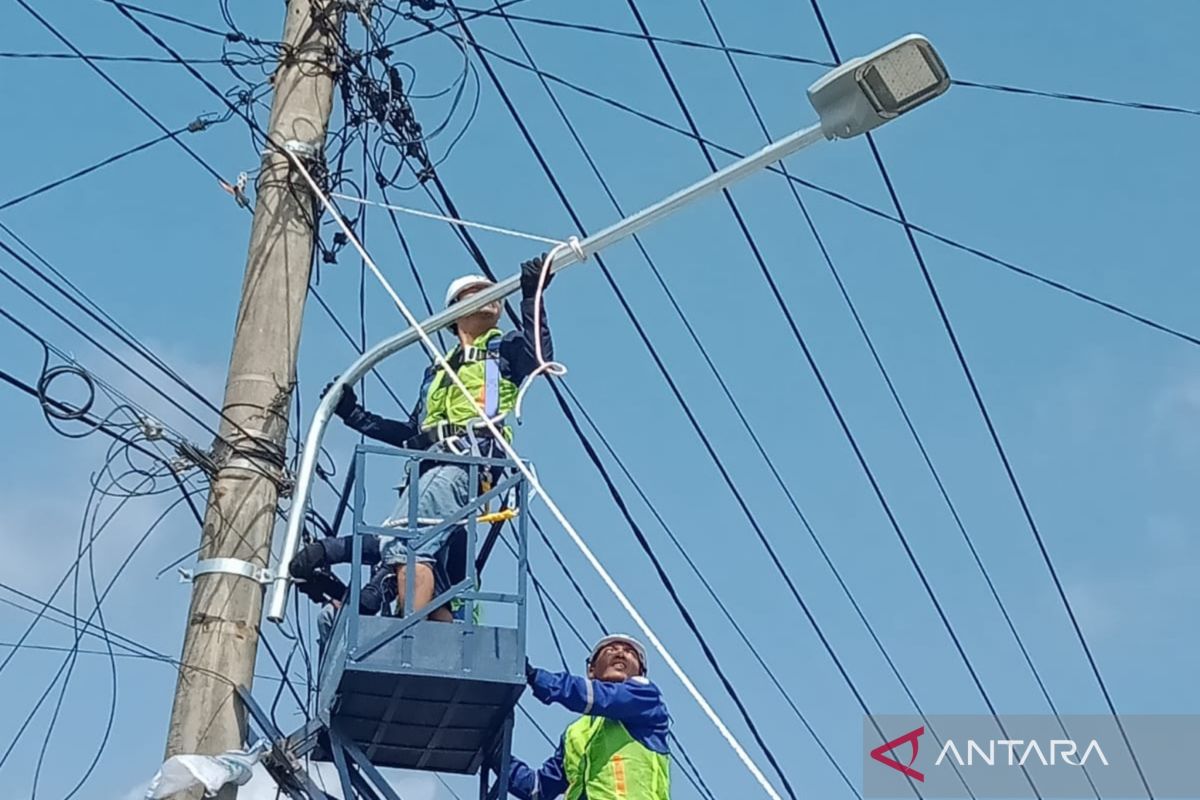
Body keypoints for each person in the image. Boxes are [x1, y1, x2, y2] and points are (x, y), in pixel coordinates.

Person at [326, 256, 553, 622]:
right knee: (438, 568)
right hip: (426, 470)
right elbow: (413, 434)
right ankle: (438, 629)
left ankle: (404, 631)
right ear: (455, 313)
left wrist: (532, 297)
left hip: (470, 462)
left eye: (493, 292)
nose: (489, 296)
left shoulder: (502, 351)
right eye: (476, 292)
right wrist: (356, 416)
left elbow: (539, 356)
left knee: (405, 547)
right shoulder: (438, 373)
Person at [509, 635, 671, 800]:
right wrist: (498, 754)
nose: (621, 653)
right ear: (591, 670)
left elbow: (600, 697)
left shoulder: (646, 700)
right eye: (611, 649)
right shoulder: (576, 733)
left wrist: (537, 677)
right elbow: (538, 789)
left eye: (630, 652)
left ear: (641, 673)